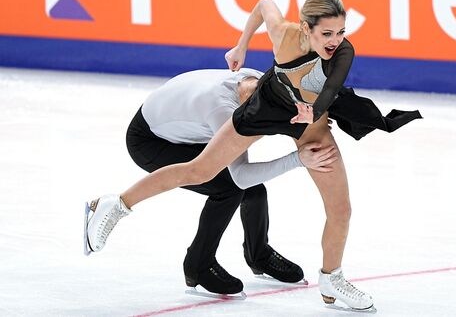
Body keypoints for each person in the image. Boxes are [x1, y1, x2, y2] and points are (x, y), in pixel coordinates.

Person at [86, 0, 421, 311]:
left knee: (341, 208)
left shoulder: (343, 52)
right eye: (327, 33)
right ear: (306, 29)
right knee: (202, 170)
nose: (335, 41)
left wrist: (314, 112)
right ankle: (116, 205)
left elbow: (331, 85)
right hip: (264, 109)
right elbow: (263, 4)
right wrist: (241, 45)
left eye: (341, 32)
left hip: (310, 119)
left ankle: (331, 280)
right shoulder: (285, 34)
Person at [87, 68, 338, 297]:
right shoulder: (227, 114)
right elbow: (240, 175)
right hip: (151, 141)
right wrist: (298, 159)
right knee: (228, 190)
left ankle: (258, 255)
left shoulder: (261, 83)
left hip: (179, 122)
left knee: (253, 190)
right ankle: (198, 265)